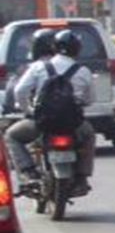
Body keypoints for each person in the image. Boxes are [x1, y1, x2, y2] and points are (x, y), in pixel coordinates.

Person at [4, 28, 97, 195]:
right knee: (89, 135)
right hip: (73, 125)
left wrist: (29, 110)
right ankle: (82, 177)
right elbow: (90, 99)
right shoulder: (83, 71)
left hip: (41, 122)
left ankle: (29, 172)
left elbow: (20, 91)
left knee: (11, 136)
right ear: (77, 49)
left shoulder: (38, 67)